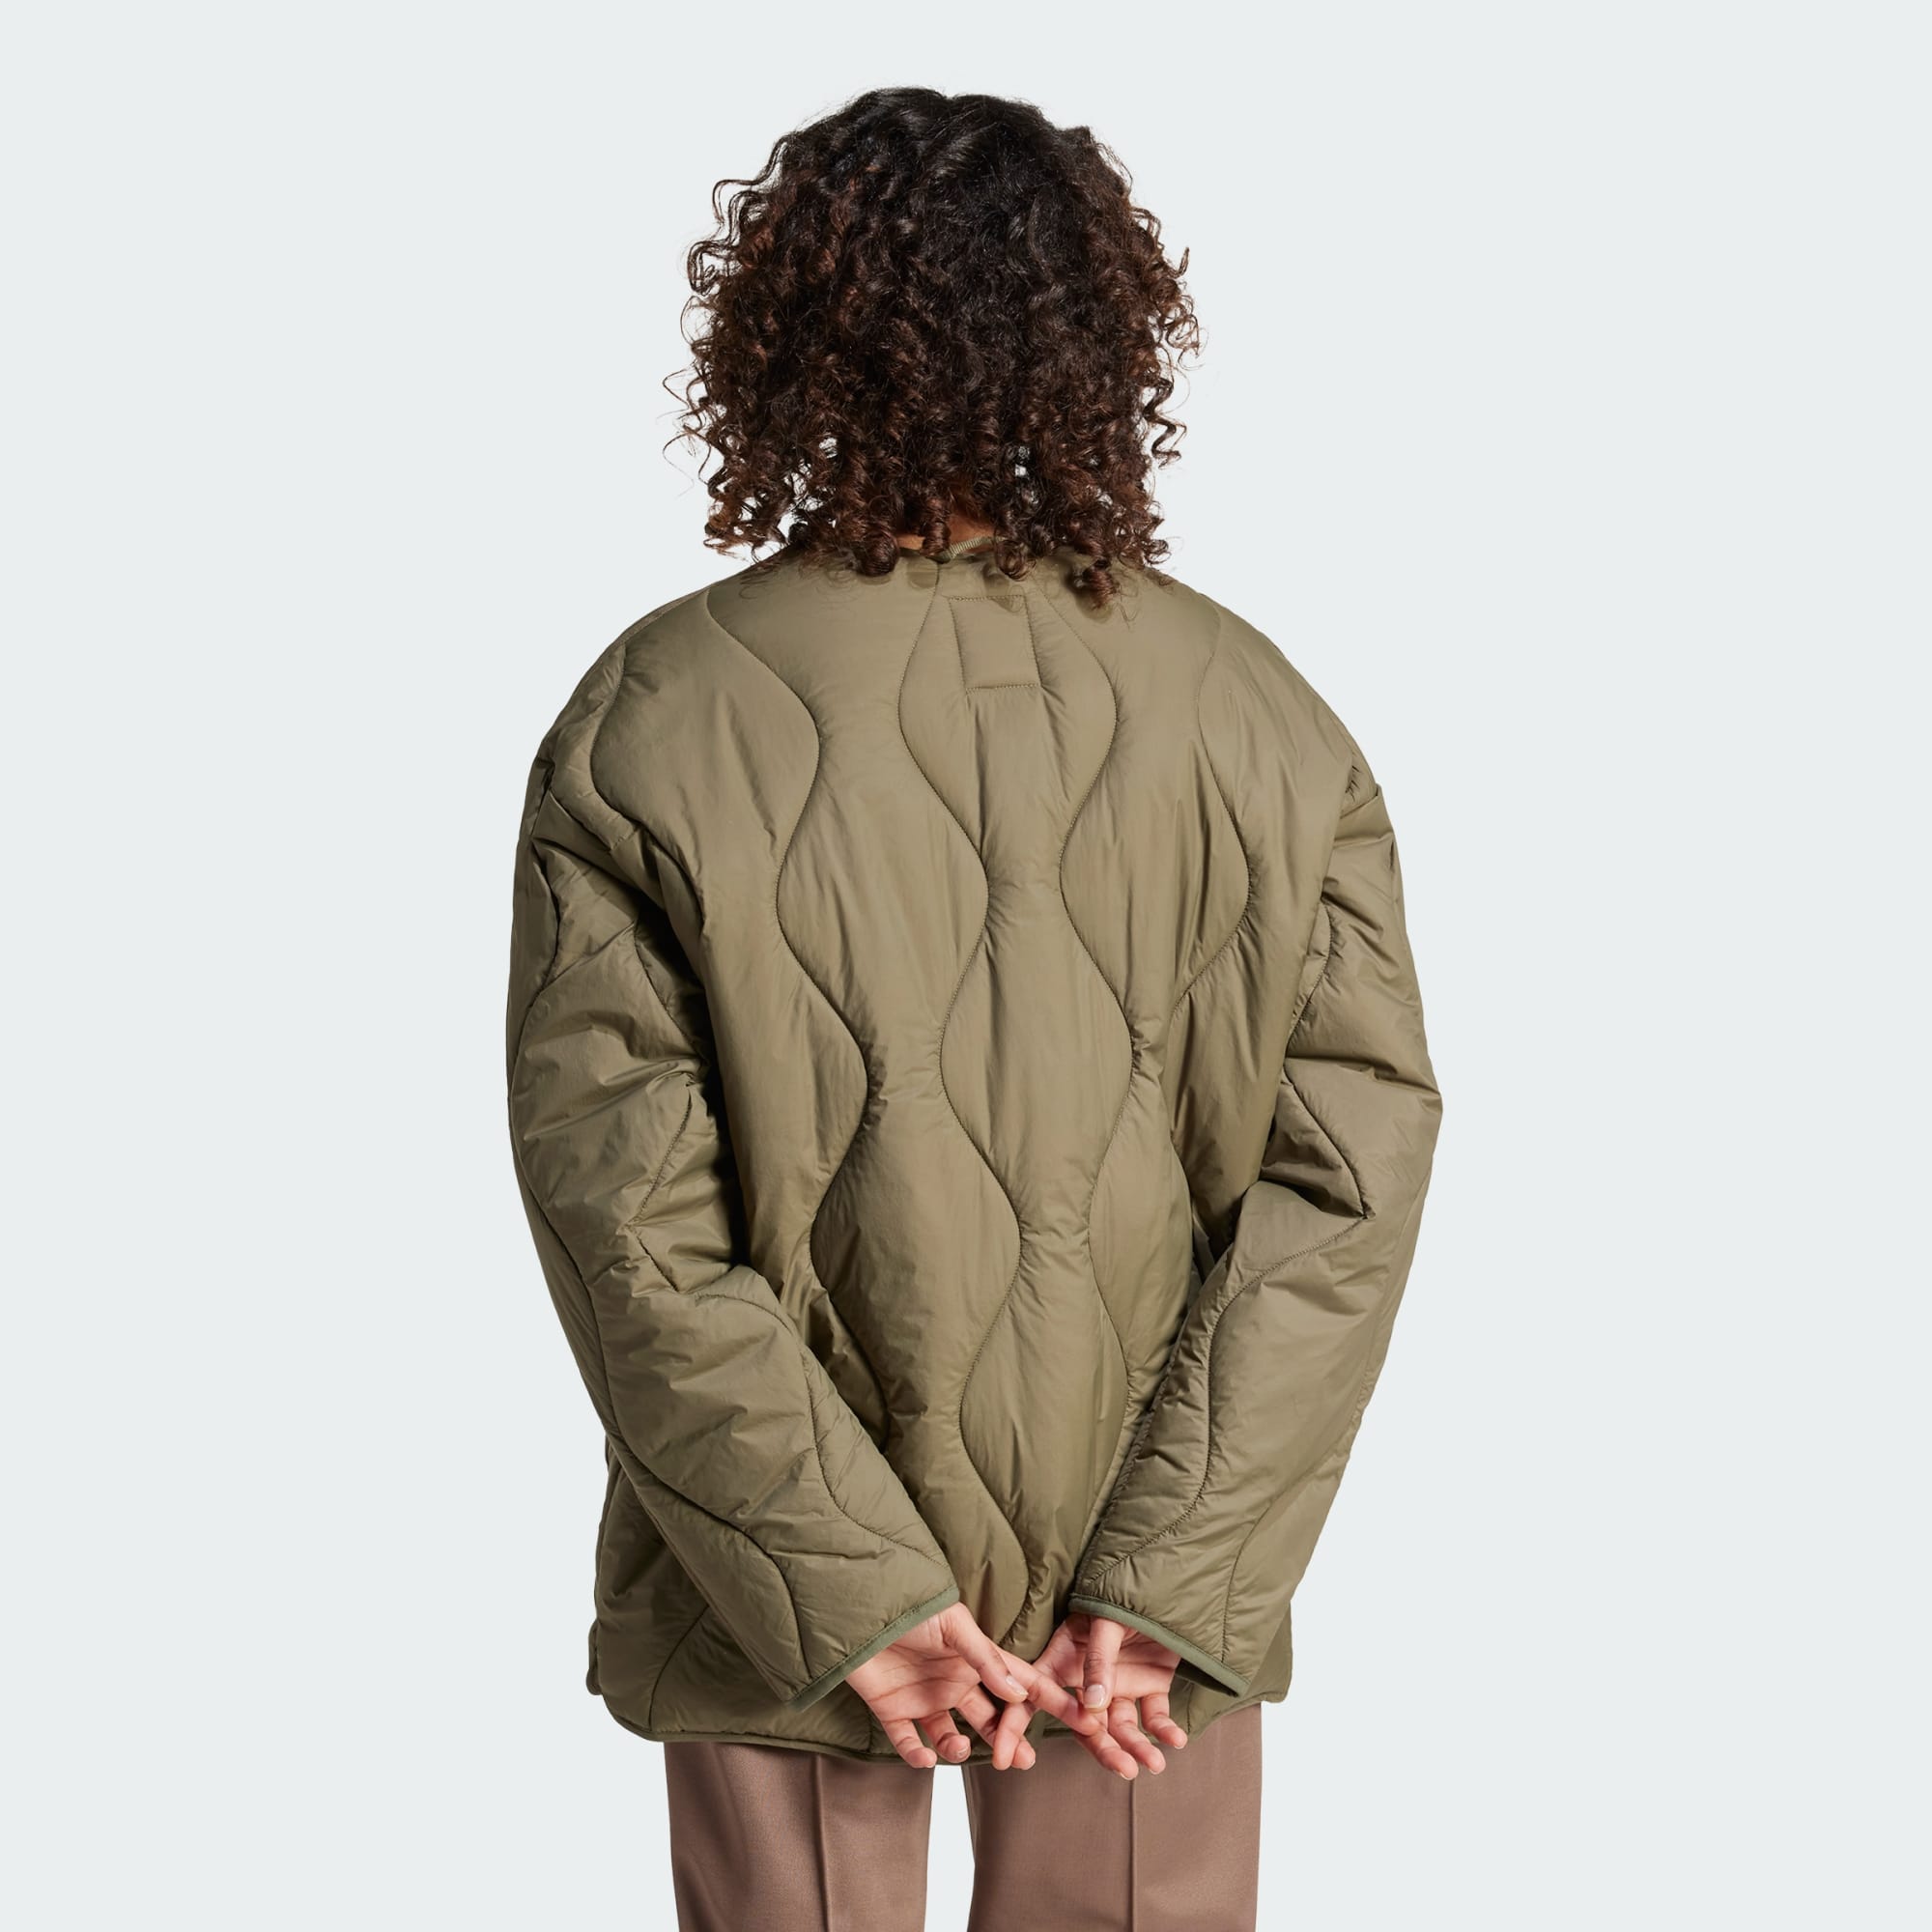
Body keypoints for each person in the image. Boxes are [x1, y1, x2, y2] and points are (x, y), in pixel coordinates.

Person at [504, 85, 1442, 1932]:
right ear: (1099, 341)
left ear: (786, 335)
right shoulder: (1260, 715)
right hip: (1140, 1614)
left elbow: (627, 1225)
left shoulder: (653, 715)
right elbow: (1348, 1188)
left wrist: (847, 1588)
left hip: (772, 1572)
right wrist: (1169, 1582)